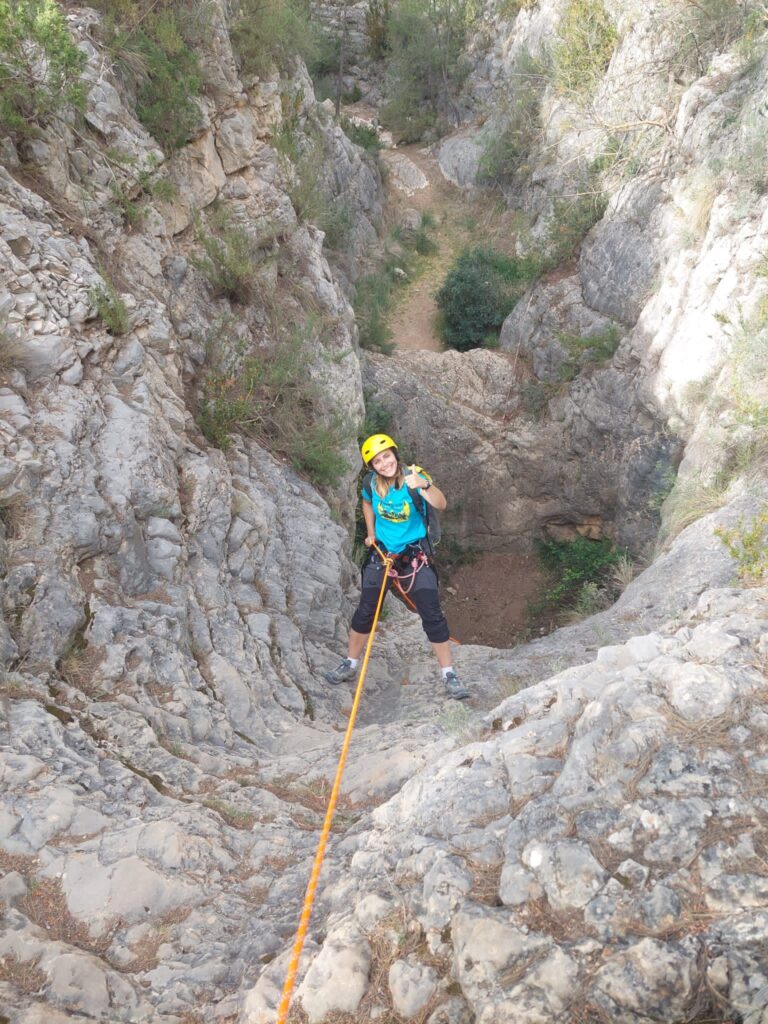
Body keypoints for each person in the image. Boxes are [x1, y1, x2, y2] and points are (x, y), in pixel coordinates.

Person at [325, 433, 470, 700]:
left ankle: (449, 674)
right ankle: (350, 663)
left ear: (395, 454)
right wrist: (370, 533)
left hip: (415, 554)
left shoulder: (414, 478)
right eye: (378, 461)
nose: (384, 463)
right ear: (372, 467)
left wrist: (424, 484)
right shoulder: (370, 483)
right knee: (366, 611)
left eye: (387, 457)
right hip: (383, 554)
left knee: (432, 613)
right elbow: (367, 503)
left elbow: (441, 503)